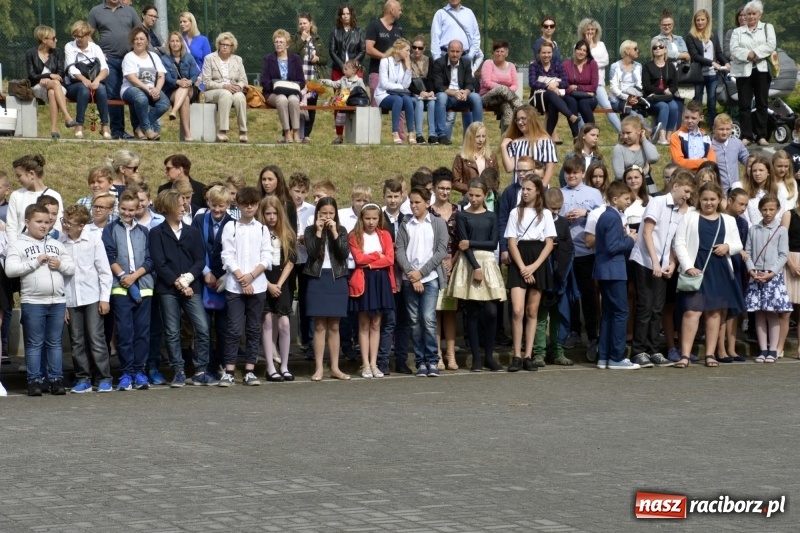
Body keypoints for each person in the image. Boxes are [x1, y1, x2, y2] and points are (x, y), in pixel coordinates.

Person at [673, 182, 745, 368]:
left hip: (719, 270)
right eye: (705, 199)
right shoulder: (689, 217)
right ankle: (685, 355)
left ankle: (710, 354)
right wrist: (688, 266)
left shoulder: (728, 220)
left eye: (712, 199)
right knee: (691, 312)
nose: (709, 203)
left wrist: (727, 247)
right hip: (696, 270)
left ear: (719, 200)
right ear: (699, 199)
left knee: (714, 314)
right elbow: (679, 243)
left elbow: (738, 244)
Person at [6, 204, 75, 396]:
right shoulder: (18, 244)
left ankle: (55, 379)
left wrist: (60, 264)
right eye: (39, 222)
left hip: (57, 301)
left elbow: (71, 268)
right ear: (27, 222)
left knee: (54, 342)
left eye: (47, 222)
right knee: (34, 343)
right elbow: (10, 270)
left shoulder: (57, 244)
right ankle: (34, 380)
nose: (44, 226)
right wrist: (35, 262)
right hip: (33, 301)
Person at [444, 179, 506, 372]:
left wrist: (470, 243)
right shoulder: (462, 215)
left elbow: (493, 243)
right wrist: (475, 266)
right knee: (472, 312)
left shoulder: (491, 216)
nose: (473, 198)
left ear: (485, 195)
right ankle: (476, 359)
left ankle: (489, 355)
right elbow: (461, 244)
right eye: (470, 195)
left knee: (491, 311)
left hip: (488, 262)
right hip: (470, 263)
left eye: (477, 195)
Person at [219, 187, 273, 387]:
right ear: (239, 205)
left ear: (257, 205)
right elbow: (227, 255)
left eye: (253, 203)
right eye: (245, 203)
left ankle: (250, 370)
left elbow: (267, 257)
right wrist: (242, 278)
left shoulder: (262, 228)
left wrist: (251, 277)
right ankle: (229, 370)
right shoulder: (230, 227)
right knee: (233, 329)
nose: (249, 207)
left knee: (253, 328)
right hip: (235, 286)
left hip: (257, 286)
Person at [102, 190, 154, 390]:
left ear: (137, 209)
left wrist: (134, 277)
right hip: (120, 287)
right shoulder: (110, 229)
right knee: (124, 332)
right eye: (123, 209)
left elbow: (150, 259)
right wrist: (124, 277)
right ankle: (126, 372)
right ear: (118, 207)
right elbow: (110, 256)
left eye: (131, 210)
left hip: (144, 287)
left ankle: (139, 371)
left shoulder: (144, 232)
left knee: (142, 333)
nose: (127, 213)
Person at [395, 187, 449, 376]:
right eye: (411, 202)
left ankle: (432, 360)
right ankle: (421, 362)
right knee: (414, 321)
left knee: (428, 318)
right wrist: (411, 273)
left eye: (417, 202)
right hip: (410, 279)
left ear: (427, 203)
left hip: (430, 278)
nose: (413, 205)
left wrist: (421, 273)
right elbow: (399, 251)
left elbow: (441, 251)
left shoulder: (437, 223)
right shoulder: (405, 225)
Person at [505, 175, 555, 371]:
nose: (525, 193)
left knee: (532, 310)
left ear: (537, 192)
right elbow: (511, 242)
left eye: (529, 189)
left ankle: (528, 355)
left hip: (537, 261)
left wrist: (533, 267)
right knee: (517, 310)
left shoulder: (546, 214)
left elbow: (549, 243)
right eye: (523, 189)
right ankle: (516, 355)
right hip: (519, 261)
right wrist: (523, 268)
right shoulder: (514, 212)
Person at [560, 156, 604, 361]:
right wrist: (563, 217)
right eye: (568, 172)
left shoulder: (593, 193)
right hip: (565, 251)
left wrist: (586, 212)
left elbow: (604, 216)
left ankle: (593, 336)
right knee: (569, 295)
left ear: (582, 173)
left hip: (586, 253)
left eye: (575, 172)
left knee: (587, 294)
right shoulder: (560, 193)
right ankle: (574, 331)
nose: (572, 176)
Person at [304, 197, 352, 381]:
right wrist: (318, 231)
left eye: (331, 213)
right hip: (317, 279)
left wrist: (334, 232)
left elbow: (343, 253)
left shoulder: (341, 230)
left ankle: (335, 367)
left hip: (336, 279)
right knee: (319, 325)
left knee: (334, 325)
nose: (327, 217)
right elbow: (313, 253)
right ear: (317, 213)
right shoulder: (310, 230)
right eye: (324, 213)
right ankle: (318, 368)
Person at [593, 181, 639, 369]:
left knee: (609, 313)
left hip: (606, 271)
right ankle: (617, 357)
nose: (629, 202)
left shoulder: (607, 216)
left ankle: (604, 356)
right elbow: (613, 247)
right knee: (621, 312)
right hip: (613, 271)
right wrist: (630, 239)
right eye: (626, 198)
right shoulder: (612, 217)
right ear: (615, 199)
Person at [348, 203, 395, 378]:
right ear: (362, 218)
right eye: (367, 218)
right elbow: (358, 259)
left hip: (380, 280)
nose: (371, 222)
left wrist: (371, 261)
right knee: (364, 323)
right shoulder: (354, 236)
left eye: (374, 218)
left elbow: (390, 259)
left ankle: (375, 363)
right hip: (363, 279)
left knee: (376, 323)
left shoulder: (385, 235)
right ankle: (365, 364)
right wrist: (377, 256)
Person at [190, 184, 231, 378]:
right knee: (202, 328)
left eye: (221, 206)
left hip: (225, 281)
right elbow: (194, 247)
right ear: (208, 203)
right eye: (214, 205)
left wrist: (222, 276)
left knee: (223, 328)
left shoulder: (232, 224)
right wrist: (206, 272)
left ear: (228, 204)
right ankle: (202, 367)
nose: (217, 209)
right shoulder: (199, 220)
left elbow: (234, 253)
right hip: (202, 278)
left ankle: (221, 364)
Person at [745, 194, 791, 362]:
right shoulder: (753, 230)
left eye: (771, 209)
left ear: (778, 210)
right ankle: (763, 349)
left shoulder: (781, 231)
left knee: (772, 313)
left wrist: (771, 272)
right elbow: (747, 252)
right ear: (759, 210)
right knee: (759, 313)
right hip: (756, 275)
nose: (768, 213)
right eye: (764, 209)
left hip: (772, 277)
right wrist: (751, 271)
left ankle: (773, 349)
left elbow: (783, 255)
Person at [88, 0, 141, 140]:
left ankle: (138, 130)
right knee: (113, 94)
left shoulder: (130, 11)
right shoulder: (96, 11)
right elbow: (87, 35)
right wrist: (98, 52)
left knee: (135, 93)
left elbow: (140, 32)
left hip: (129, 59)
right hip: (108, 60)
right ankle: (117, 131)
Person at [258, 196, 298, 383]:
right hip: (263, 281)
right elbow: (254, 263)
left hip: (281, 283)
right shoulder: (259, 233)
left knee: (284, 324)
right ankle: (270, 367)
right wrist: (268, 285)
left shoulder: (286, 233)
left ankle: (284, 366)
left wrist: (279, 285)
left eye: (275, 213)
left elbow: (291, 261)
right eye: (268, 213)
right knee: (266, 321)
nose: (272, 217)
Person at [730, 0, 776, 146]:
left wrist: (755, 53)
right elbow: (734, 49)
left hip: (762, 70)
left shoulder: (767, 28)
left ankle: (761, 135)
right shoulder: (737, 32)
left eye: (753, 14)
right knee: (744, 104)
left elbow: (771, 45)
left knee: (762, 103)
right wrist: (748, 55)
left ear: (759, 14)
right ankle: (747, 136)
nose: (750, 17)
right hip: (743, 71)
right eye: (748, 14)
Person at [379, 177, 412, 374]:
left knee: (404, 320)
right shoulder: (379, 218)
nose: (392, 200)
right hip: (386, 275)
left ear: (402, 197)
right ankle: (383, 360)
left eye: (396, 196)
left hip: (405, 274)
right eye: (389, 196)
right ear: (384, 197)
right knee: (388, 320)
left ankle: (401, 360)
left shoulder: (407, 219)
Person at [428, 170, 458, 371]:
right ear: (434, 188)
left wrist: (453, 262)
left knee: (450, 311)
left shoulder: (458, 211)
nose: (445, 192)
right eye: (441, 188)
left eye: (448, 188)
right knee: (435, 312)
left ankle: (451, 353)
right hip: (433, 266)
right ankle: (437, 354)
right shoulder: (428, 211)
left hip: (454, 265)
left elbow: (461, 242)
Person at [26, 25, 77, 139]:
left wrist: (50, 79)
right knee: (54, 84)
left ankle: (53, 129)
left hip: (56, 88)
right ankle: (67, 117)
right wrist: (47, 76)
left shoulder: (57, 52)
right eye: (53, 38)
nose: (56, 40)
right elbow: (31, 76)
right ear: (44, 40)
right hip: (38, 86)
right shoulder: (31, 53)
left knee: (52, 91)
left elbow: (61, 73)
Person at [64, 21, 111, 139]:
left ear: (88, 35)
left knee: (101, 88)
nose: (78, 39)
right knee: (83, 89)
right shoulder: (69, 46)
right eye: (76, 36)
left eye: (81, 36)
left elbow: (105, 68)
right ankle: (79, 125)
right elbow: (71, 69)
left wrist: (97, 80)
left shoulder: (95, 48)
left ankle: (105, 126)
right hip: (74, 85)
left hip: (93, 84)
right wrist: (84, 80)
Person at [120, 27, 169, 141]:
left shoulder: (154, 56)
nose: (139, 41)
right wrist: (147, 88)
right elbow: (131, 78)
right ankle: (147, 129)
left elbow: (161, 75)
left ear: (147, 41)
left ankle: (139, 128)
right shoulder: (129, 57)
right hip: (130, 89)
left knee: (164, 103)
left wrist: (157, 89)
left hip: (151, 89)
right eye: (136, 39)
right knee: (141, 98)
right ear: (133, 41)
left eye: (142, 39)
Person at [431, 40, 483, 145]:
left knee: (476, 97)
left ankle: (479, 133)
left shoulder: (467, 62)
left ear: (462, 52)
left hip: (462, 97)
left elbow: (470, 83)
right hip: (447, 96)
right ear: (447, 51)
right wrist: (454, 93)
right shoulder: (439, 63)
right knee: (441, 96)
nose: (455, 54)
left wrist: (466, 92)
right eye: (452, 51)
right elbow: (439, 85)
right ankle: (441, 135)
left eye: (457, 51)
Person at [201, 32, 248, 143]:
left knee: (240, 96)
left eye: (228, 45)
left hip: (233, 90)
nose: (225, 47)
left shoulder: (238, 59)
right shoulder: (209, 58)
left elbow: (243, 80)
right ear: (219, 45)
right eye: (223, 44)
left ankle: (243, 131)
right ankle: (222, 131)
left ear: (232, 47)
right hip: (213, 91)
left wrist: (238, 86)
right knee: (225, 94)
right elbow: (206, 82)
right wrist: (224, 86)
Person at [577, 18, 621, 133]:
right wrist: (588, 46)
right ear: (583, 31)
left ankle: (622, 132)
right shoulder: (578, 46)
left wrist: (591, 64)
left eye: (593, 29)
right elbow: (579, 62)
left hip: (599, 83)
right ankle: (583, 135)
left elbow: (605, 61)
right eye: (588, 29)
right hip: (583, 84)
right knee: (579, 108)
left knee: (607, 107)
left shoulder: (601, 45)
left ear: (596, 31)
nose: (590, 32)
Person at [262, 29, 306, 144]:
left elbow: (302, 81)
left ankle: (296, 132)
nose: (278, 44)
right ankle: (286, 132)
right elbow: (264, 81)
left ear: (287, 44)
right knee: (282, 99)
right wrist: (277, 86)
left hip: (292, 93)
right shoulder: (268, 59)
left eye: (281, 42)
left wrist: (290, 87)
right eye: (276, 42)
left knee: (292, 100)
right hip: (273, 93)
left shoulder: (295, 59)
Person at [686, 9, 728, 128]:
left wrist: (726, 63)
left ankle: (713, 128)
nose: (700, 22)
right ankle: (695, 127)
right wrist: (711, 63)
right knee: (697, 102)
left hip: (713, 75)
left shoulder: (713, 34)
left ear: (707, 20)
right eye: (697, 20)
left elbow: (719, 52)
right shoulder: (690, 37)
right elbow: (695, 56)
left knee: (711, 102)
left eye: (702, 20)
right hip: (698, 74)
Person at [290, 13, 328, 143]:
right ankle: (289, 133)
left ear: (310, 24)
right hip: (297, 79)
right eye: (300, 23)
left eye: (305, 23)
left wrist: (318, 59)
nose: (302, 26)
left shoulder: (317, 39)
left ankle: (306, 134)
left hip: (313, 79)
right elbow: (291, 53)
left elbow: (325, 59)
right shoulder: (295, 37)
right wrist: (302, 40)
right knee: (294, 105)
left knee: (311, 107)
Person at [529, 42, 578, 140]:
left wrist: (556, 84)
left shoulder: (558, 65)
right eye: (544, 53)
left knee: (570, 101)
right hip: (538, 98)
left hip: (554, 97)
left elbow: (565, 83)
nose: (546, 55)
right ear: (539, 54)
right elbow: (533, 83)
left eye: (549, 52)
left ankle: (575, 136)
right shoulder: (534, 66)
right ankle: (570, 115)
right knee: (551, 94)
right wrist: (548, 86)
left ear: (552, 53)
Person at [8, 155, 63, 242]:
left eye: (19, 176)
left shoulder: (54, 195)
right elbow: (11, 227)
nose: (17, 179)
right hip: (21, 248)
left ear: (31, 174)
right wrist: (14, 248)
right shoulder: (16, 195)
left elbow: (58, 225)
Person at [500, 105, 558, 186]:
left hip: (539, 188)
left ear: (532, 119)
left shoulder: (545, 141)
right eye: (518, 120)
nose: (520, 122)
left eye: (523, 118)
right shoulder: (515, 143)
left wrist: (542, 187)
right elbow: (509, 168)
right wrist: (503, 147)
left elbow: (550, 167)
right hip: (518, 189)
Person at [374, 38, 417, 145]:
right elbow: (384, 84)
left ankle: (411, 132)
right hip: (384, 94)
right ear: (398, 49)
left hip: (399, 94)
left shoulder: (404, 63)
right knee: (398, 100)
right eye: (407, 50)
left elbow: (406, 85)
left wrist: (408, 69)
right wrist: (400, 87)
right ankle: (394, 132)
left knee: (408, 99)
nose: (409, 53)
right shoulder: (385, 61)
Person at [162, 31, 199, 141]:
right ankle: (187, 134)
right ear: (169, 43)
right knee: (185, 99)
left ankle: (174, 111)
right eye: (172, 41)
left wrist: (189, 82)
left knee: (185, 87)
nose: (175, 43)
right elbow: (166, 77)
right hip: (172, 90)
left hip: (190, 88)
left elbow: (195, 75)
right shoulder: (164, 59)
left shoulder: (189, 57)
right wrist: (178, 82)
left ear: (181, 43)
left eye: (177, 41)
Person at [642, 37, 680, 144]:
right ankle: (661, 137)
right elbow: (646, 86)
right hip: (652, 98)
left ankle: (669, 136)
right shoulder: (648, 66)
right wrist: (663, 91)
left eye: (661, 47)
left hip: (666, 97)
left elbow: (674, 85)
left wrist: (670, 90)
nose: (657, 49)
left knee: (674, 106)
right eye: (655, 47)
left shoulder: (670, 66)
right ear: (652, 51)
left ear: (665, 50)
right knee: (664, 106)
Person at [365, 0, 403, 105]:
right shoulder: (374, 25)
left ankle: (399, 123)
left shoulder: (399, 28)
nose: (401, 12)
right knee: (375, 108)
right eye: (399, 10)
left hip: (395, 75)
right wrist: (386, 57)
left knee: (401, 106)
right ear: (392, 10)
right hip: (377, 72)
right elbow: (368, 49)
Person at [479, 40, 522, 134]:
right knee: (502, 89)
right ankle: (521, 108)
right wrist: (503, 89)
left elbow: (515, 84)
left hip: (504, 99)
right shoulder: (488, 63)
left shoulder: (511, 66)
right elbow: (487, 83)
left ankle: (506, 140)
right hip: (487, 98)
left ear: (506, 53)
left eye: (502, 51)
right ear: (494, 52)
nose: (499, 54)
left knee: (507, 108)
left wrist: (506, 92)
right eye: (497, 51)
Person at [320, 59, 366, 144]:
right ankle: (339, 136)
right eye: (343, 68)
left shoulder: (359, 81)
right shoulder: (343, 79)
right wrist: (326, 81)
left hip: (354, 102)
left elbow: (363, 92)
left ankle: (356, 136)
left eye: (346, 69)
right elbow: (335, 84)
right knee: (339, 117)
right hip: (343, 104)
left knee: (345, 93)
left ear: (353, 70)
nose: (343, 70)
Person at [430, 0, 483, 73]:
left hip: (465, 57)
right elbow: (435, 39)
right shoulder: (440, 14)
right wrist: (437, 60)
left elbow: (476, 36)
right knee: (445, 84)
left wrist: (470, 56)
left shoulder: (469, 13)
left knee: (465, 84)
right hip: (445, 57)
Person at [670, 100, 717, 172]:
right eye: (686, 117)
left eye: (693, 118)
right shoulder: (676, 136)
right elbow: (678, 162)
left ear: (701, 118)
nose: (689, 121)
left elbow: (712, 163)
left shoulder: (706, 138)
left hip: (702, 177)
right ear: (682, 116)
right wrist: (702, 162)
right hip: (683, 177)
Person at [452, 122, 498, 195]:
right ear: (470, 137)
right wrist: (472, 189)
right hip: (469, 198)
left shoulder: (491, 156)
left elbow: (496, 179)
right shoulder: (461, 157)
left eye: (483, 136)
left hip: (488, 197)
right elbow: (454, 182)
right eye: (477, 136)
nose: (481, 140)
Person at [611, 115, 660, 184]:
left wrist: (643, 139)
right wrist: (644, 172)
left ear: (639, 131)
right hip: (625, 186)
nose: (625, 136)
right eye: (623, 133)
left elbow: (653, 158)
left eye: (628, 133)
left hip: (645, 185)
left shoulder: (646, 146)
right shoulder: (619, 148)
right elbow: (619, 175)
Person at [563, 40, 599, 130]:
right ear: (575, 50)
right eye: (579, 49)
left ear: (587, 53)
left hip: (588, 98)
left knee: (583, 103)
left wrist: (576, 87)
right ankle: (575, 135)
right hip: (572, 96)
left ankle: (592, 132)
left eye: (584, 50)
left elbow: (593, 86)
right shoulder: (566, 64)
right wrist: (585, 90)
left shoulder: (592, 64)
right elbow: (565, 86)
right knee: (571, 101)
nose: (581, 52)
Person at [711, 113, 751, 193]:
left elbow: (747, 159)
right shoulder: (709, 146)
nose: (725, 132)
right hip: (718, 190)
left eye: (728, 129)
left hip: (735, 188)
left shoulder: (737, 143)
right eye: (721, 129)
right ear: (714, 129)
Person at [409, 36, 437, 145]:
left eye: (420, 48)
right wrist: (419, 92)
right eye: (414, 47)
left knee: (432, 102)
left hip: (426, 90)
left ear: (424, 48)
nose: (417, 50)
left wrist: (431, 91)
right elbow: (408, 82)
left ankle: (432, 134)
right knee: (419, 103)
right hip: (413, 91)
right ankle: (419, 135)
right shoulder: (407, 60)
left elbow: (431, 78)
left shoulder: (429, 60)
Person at [329, 4, 366, 83]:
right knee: (339, 95)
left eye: (348, 14)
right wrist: (343, 67)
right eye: (343, 14)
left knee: (355, 94)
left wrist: (351, 65)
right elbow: (332, 51)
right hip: (338, 70)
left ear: (351, 15)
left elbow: (363, 50)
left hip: (355, 69)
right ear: (340, 16)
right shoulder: (335, 31)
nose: (345, 16)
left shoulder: (358, 31)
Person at [258, 165, 298, 234]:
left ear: (278, 180)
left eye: (270, 179)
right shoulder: (256, 202)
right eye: (264, 179)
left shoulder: (288, 204)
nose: (266, 183)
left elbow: (293, 232)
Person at [608, 40, 643, 117]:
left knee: (640, 113)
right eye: (635, 49)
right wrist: (627, 98)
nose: (638, 51)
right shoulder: (615, 66)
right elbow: (613, 88)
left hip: (634, 99)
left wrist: (634, 97)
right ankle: (650, 129)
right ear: (627, 51)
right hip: (617, 100)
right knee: (635, 116)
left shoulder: (638, 66)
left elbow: (639, 85)